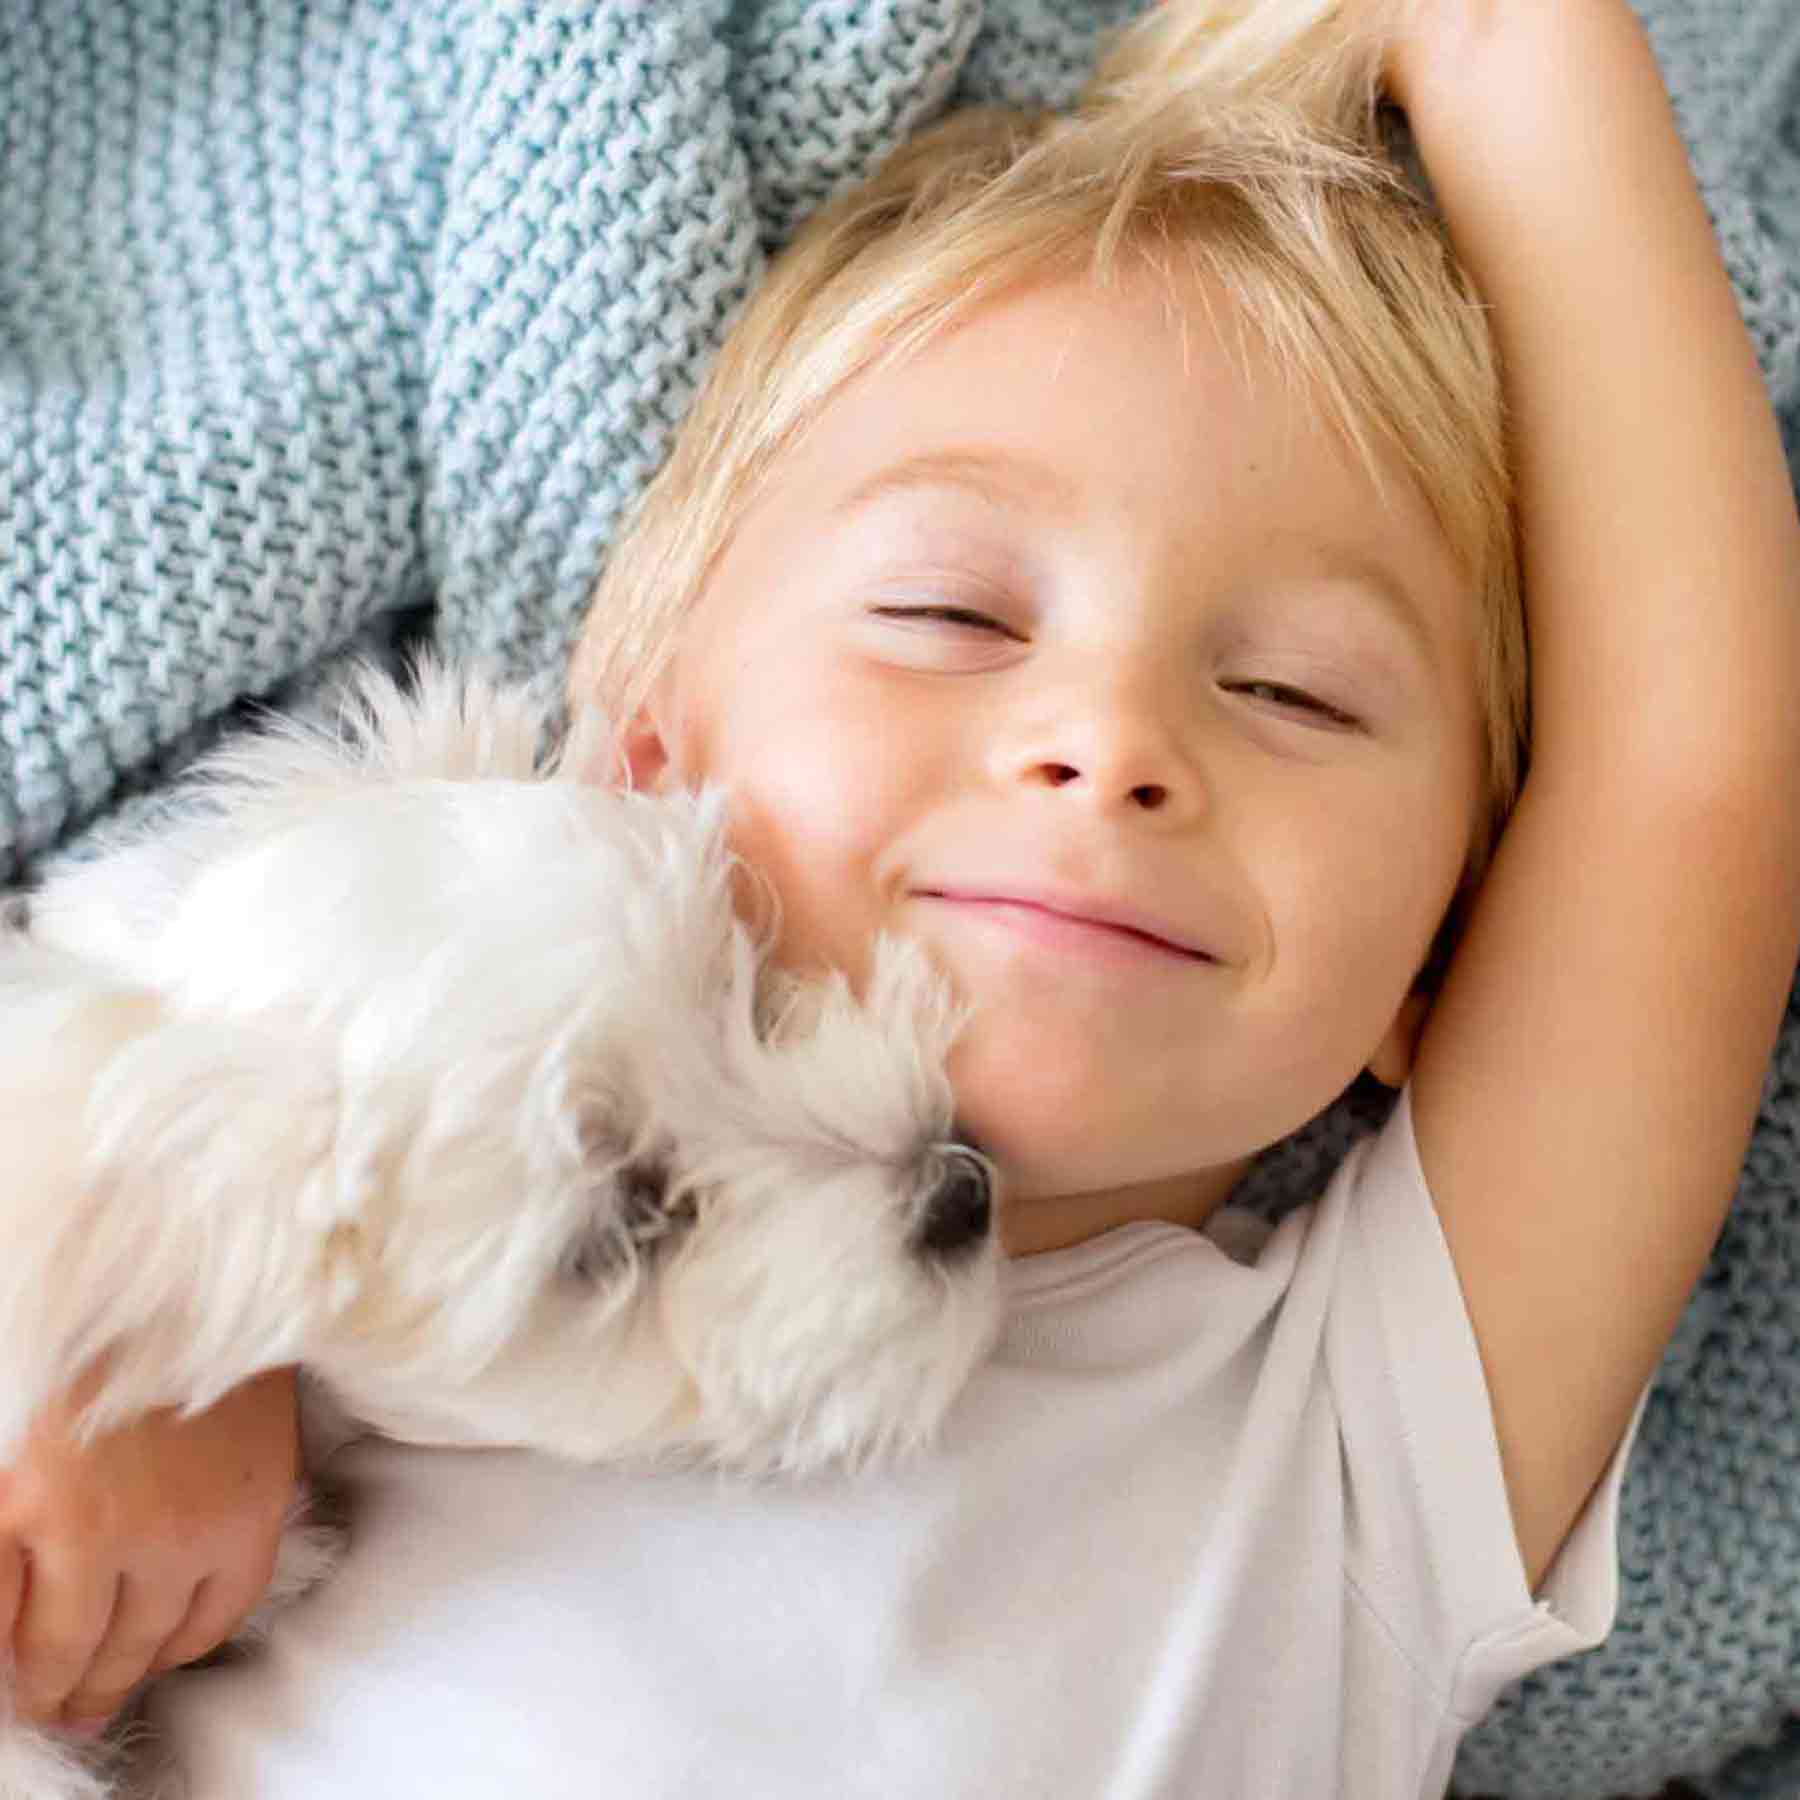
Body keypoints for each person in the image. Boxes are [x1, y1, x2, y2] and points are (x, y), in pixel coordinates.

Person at [6, 0, 1798, 1792]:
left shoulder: (1356, 1439)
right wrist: (107, 1352)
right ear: (645, 757)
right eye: (955, 613)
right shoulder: (386, 1188)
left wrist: (1504, 41)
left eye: (1298, 695)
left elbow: (1691, 767)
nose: (1110, 741)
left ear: (1445, 956)